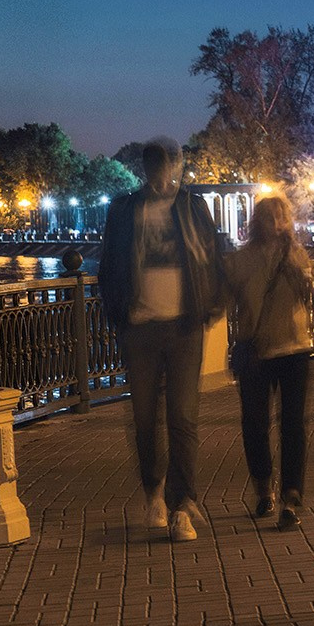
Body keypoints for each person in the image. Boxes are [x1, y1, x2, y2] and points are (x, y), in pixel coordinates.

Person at [98, 138, 227, 543]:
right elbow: (109, 266)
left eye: (166, 165)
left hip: (184, 325)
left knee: (183, 418)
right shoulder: (123, 209)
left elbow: (212, 255)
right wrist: (119, 315)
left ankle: (182, 505)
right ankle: (153, 490)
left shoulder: (192, 206)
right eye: (154, 165)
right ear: (146, 168)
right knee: (144, 418)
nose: (161, 173)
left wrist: (212, 304)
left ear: (175, 166)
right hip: (139, 327)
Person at [223, 190, 314, 528]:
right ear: (256, 221)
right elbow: (223, 299)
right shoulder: (239, 260)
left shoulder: (296, 255)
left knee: (293, 426)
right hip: (256, 351)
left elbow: (306, 297)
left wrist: (295, 267)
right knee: (255, 425)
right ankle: (264, 489)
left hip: (295, 349)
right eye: (269, 216)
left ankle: (291, 497)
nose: (276, 223)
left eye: (281, 216)